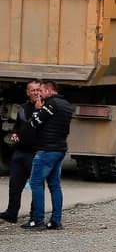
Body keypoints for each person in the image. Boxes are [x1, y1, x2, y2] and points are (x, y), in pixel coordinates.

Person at [23, 80, 73, 230]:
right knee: (55, 185)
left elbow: (34, 123)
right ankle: (56, 221)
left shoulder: (51, 104)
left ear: (49, 90)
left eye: (41, 91)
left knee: (36, 183)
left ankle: (37, 220)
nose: (39, 94)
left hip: (47, 150)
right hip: (60, 149)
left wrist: (37, 110)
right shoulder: (67, 105)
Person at [1, 80, 40, 224]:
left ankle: (35, 215)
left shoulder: (45, 109)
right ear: (27, 92)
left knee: (36, 186)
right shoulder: (22, 108)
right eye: (33, 90)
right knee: (15, 184)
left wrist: (38, 110)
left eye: (38, 90)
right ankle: (11, 213)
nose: (36, 93)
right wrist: (14, 134)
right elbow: (18, 126)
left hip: (36, 153)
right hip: (20, 152)